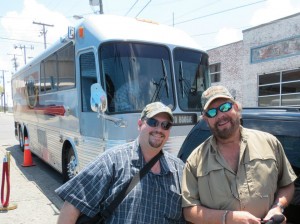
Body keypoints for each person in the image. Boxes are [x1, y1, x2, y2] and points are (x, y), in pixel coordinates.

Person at [181, 85, 297, 224]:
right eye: (212, 112)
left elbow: (287, 185)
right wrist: (228, 218)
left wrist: (278, 208)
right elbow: (189, 211)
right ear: (206, 119)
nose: (220, 115)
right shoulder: (195, 160)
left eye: (225, 107)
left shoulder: (270, 143)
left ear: (236, 107)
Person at [56, 102, 186, 224]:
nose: (159, 129)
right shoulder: (112, 160)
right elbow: (73, 203)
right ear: (140, 124)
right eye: (153, 122)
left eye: (165, 125)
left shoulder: (179, 169)